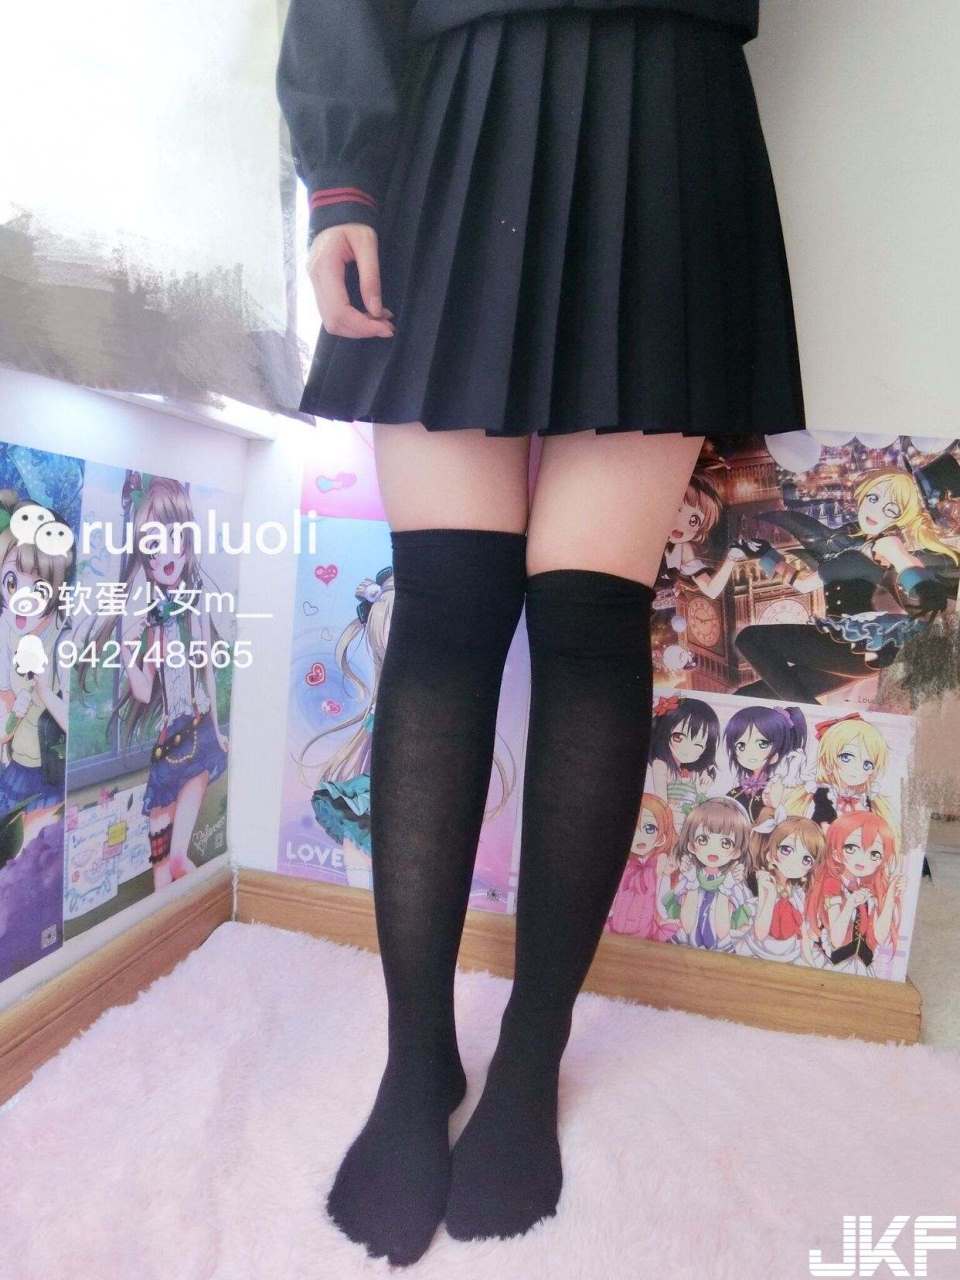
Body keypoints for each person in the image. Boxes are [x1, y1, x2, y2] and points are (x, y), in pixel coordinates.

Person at [276, 0, 805, 1265]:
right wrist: (340, 175)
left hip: (665, 109)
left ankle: (530, 1052)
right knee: (447, 606)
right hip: (456, 108)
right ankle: (416, 1057)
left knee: (587, 614)